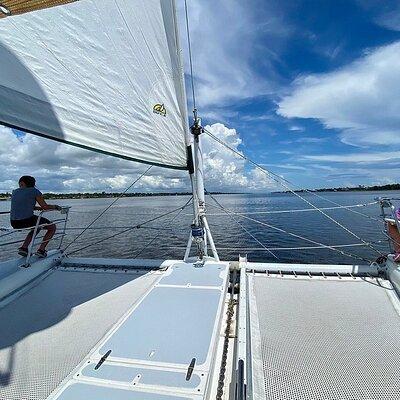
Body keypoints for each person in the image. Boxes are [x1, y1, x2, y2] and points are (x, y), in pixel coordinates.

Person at [10, 176, 61, 258]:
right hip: (26, 220)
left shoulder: (15, 192)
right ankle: (41, 250)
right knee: (52, 227)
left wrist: (37, 208)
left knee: (37, 227)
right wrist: (55, 207)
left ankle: (24, 248)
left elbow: (23, 205)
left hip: (14, 222)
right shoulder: (34, 191)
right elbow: (45, 206)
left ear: (22, 183)